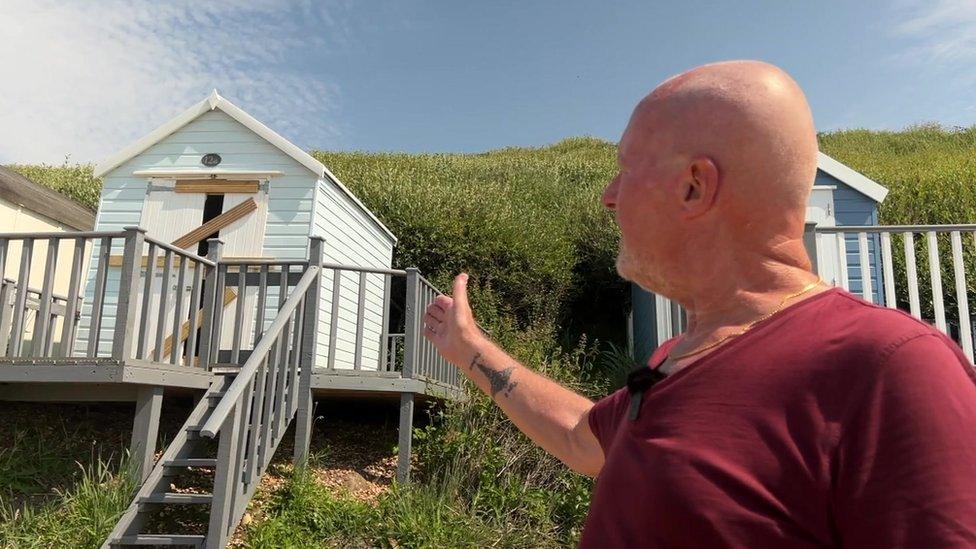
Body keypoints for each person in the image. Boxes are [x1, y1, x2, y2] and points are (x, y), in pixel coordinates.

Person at [421, 60, 976, 547]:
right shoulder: (673, 361)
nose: (609, 196)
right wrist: (469, 348)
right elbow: (579, 437)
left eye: (626, 168)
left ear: (693, 187)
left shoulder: (890, 366)